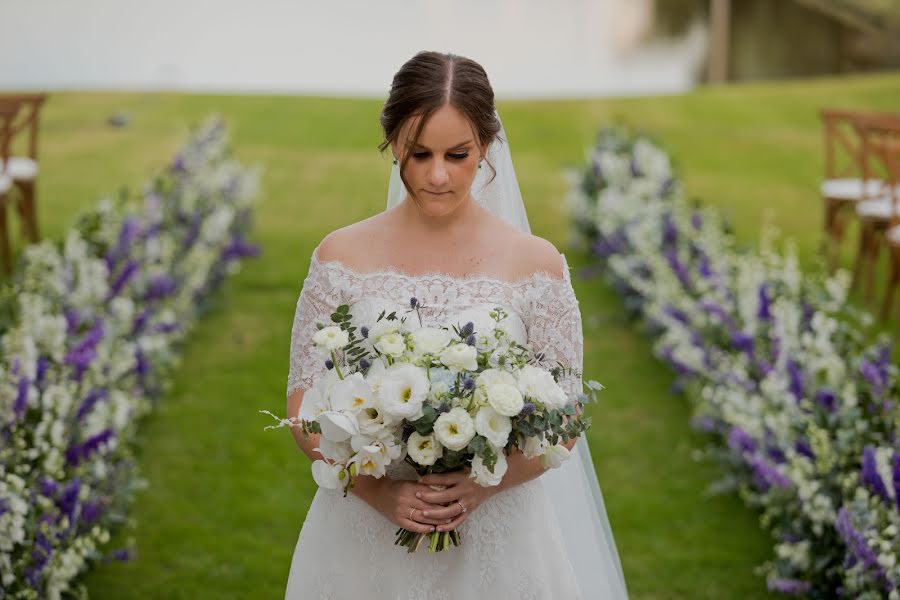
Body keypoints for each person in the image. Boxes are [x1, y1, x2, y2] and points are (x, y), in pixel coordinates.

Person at [283, 50, 629, 599]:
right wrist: (378, 493)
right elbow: (302, 410)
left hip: (498, 538)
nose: (437, 175)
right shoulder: (339, 257)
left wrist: (482, 484)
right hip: (363, 537)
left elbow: (566, 415)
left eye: (457, 154)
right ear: (394, 142)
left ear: (486, 148)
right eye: (419, 154)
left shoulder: (536, 265)